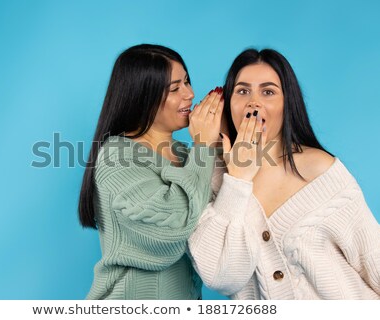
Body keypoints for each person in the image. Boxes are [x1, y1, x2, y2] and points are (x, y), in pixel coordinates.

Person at [188, 48, 380, 299]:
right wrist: (236, 179)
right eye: (242, 91)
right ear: (228, 105)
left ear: (286, 103)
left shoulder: (320, 170)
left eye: (268, 92)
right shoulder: (209, 178)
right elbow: (221, 277)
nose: (253, 102)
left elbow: (373, 261)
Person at [78, 44, 224, 299]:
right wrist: (203, 146)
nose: (190, 94)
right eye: (175, 89)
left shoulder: (186, 155)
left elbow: (221, 224)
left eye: (187, 82)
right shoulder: (117, 156)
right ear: (142, 97)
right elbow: (175, 226)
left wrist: (223, 146)